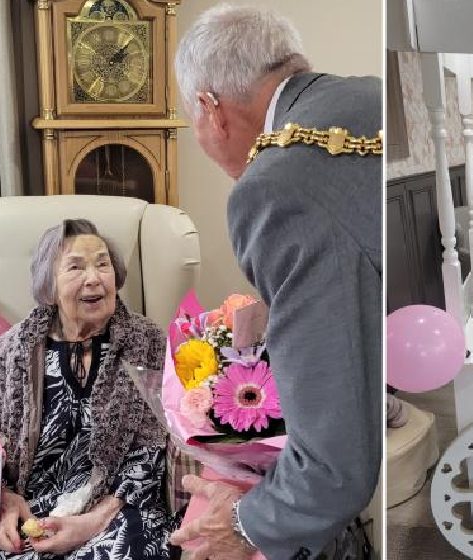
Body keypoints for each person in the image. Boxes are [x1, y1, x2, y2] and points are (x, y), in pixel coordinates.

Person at [171, 5, 382, 560]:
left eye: (193, 121)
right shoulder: (371, 94)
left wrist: (245, 527)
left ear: (210, 107)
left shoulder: (272, 188)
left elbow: (334, 466)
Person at [0, 219, 175, 559]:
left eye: (103, 264)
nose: (94, 278)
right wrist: (2, 500)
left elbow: (155, 446)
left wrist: (92, 521)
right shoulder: (9, 353)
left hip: (119, 505)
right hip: (30, 506)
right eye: (75, 267)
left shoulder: (147, 342)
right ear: (49, 284)